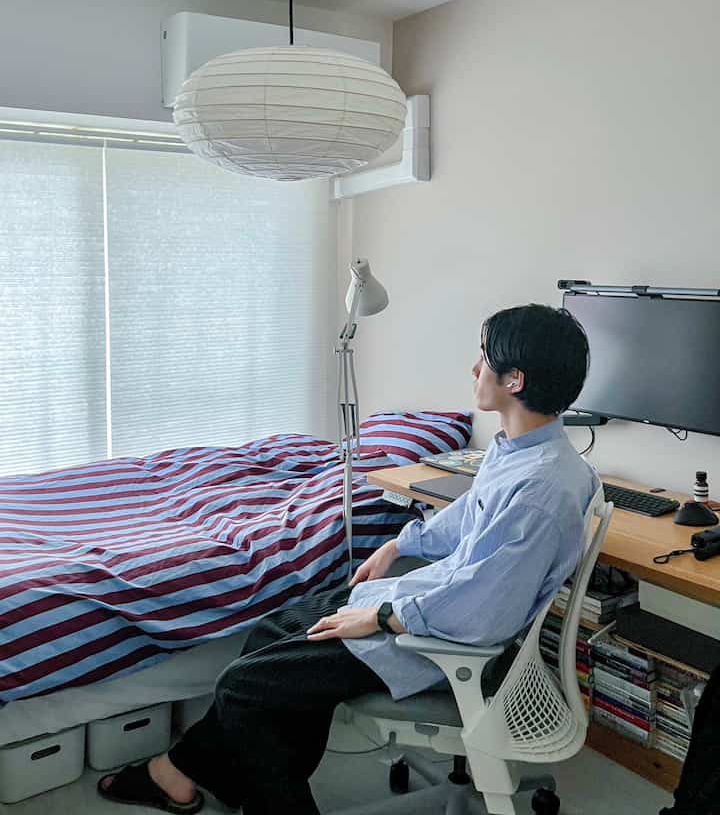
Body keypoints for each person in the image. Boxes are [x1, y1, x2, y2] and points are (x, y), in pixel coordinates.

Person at [98, 303, 599, 815]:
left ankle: (201, 780)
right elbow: (471, 514)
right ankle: (186, 775)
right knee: (270, 633)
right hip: (426, 604)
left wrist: (378, 616)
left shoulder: (541, 489)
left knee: (243, 687)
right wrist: (398, 544)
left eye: (485, 357)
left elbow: (483, 608)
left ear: (514, 379)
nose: (475, 368)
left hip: (437, 637)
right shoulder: (521, 451)